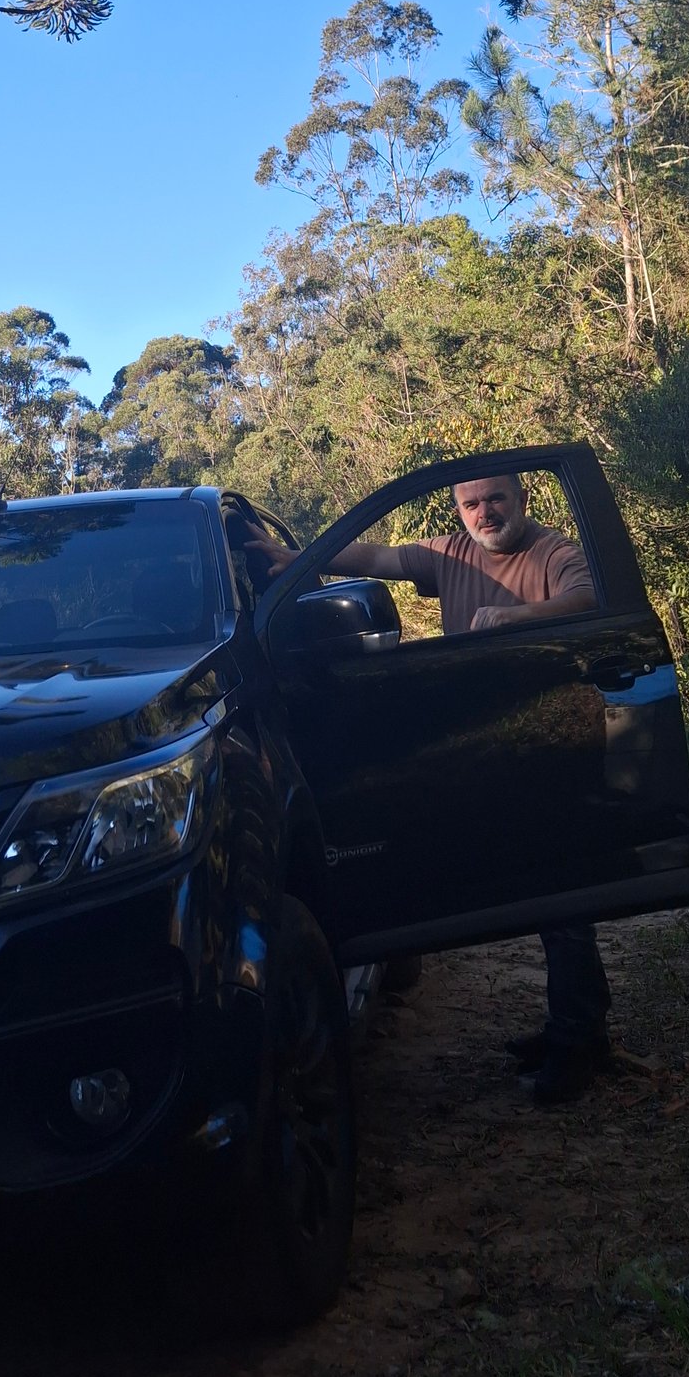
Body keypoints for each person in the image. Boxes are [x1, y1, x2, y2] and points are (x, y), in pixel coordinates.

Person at [253, 473, 614, 1106]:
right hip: (487, 741)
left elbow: (588, 601)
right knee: (536, 887)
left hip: (550, 739)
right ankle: (577, 1025)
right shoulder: (451, 552)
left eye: (496, 499)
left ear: (522, 498)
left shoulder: (556, 552)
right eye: (471, 504)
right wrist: (299, 559)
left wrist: (513, 617)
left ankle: (579, 1043)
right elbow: (377, 557)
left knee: (562, 892)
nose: (484, 512)